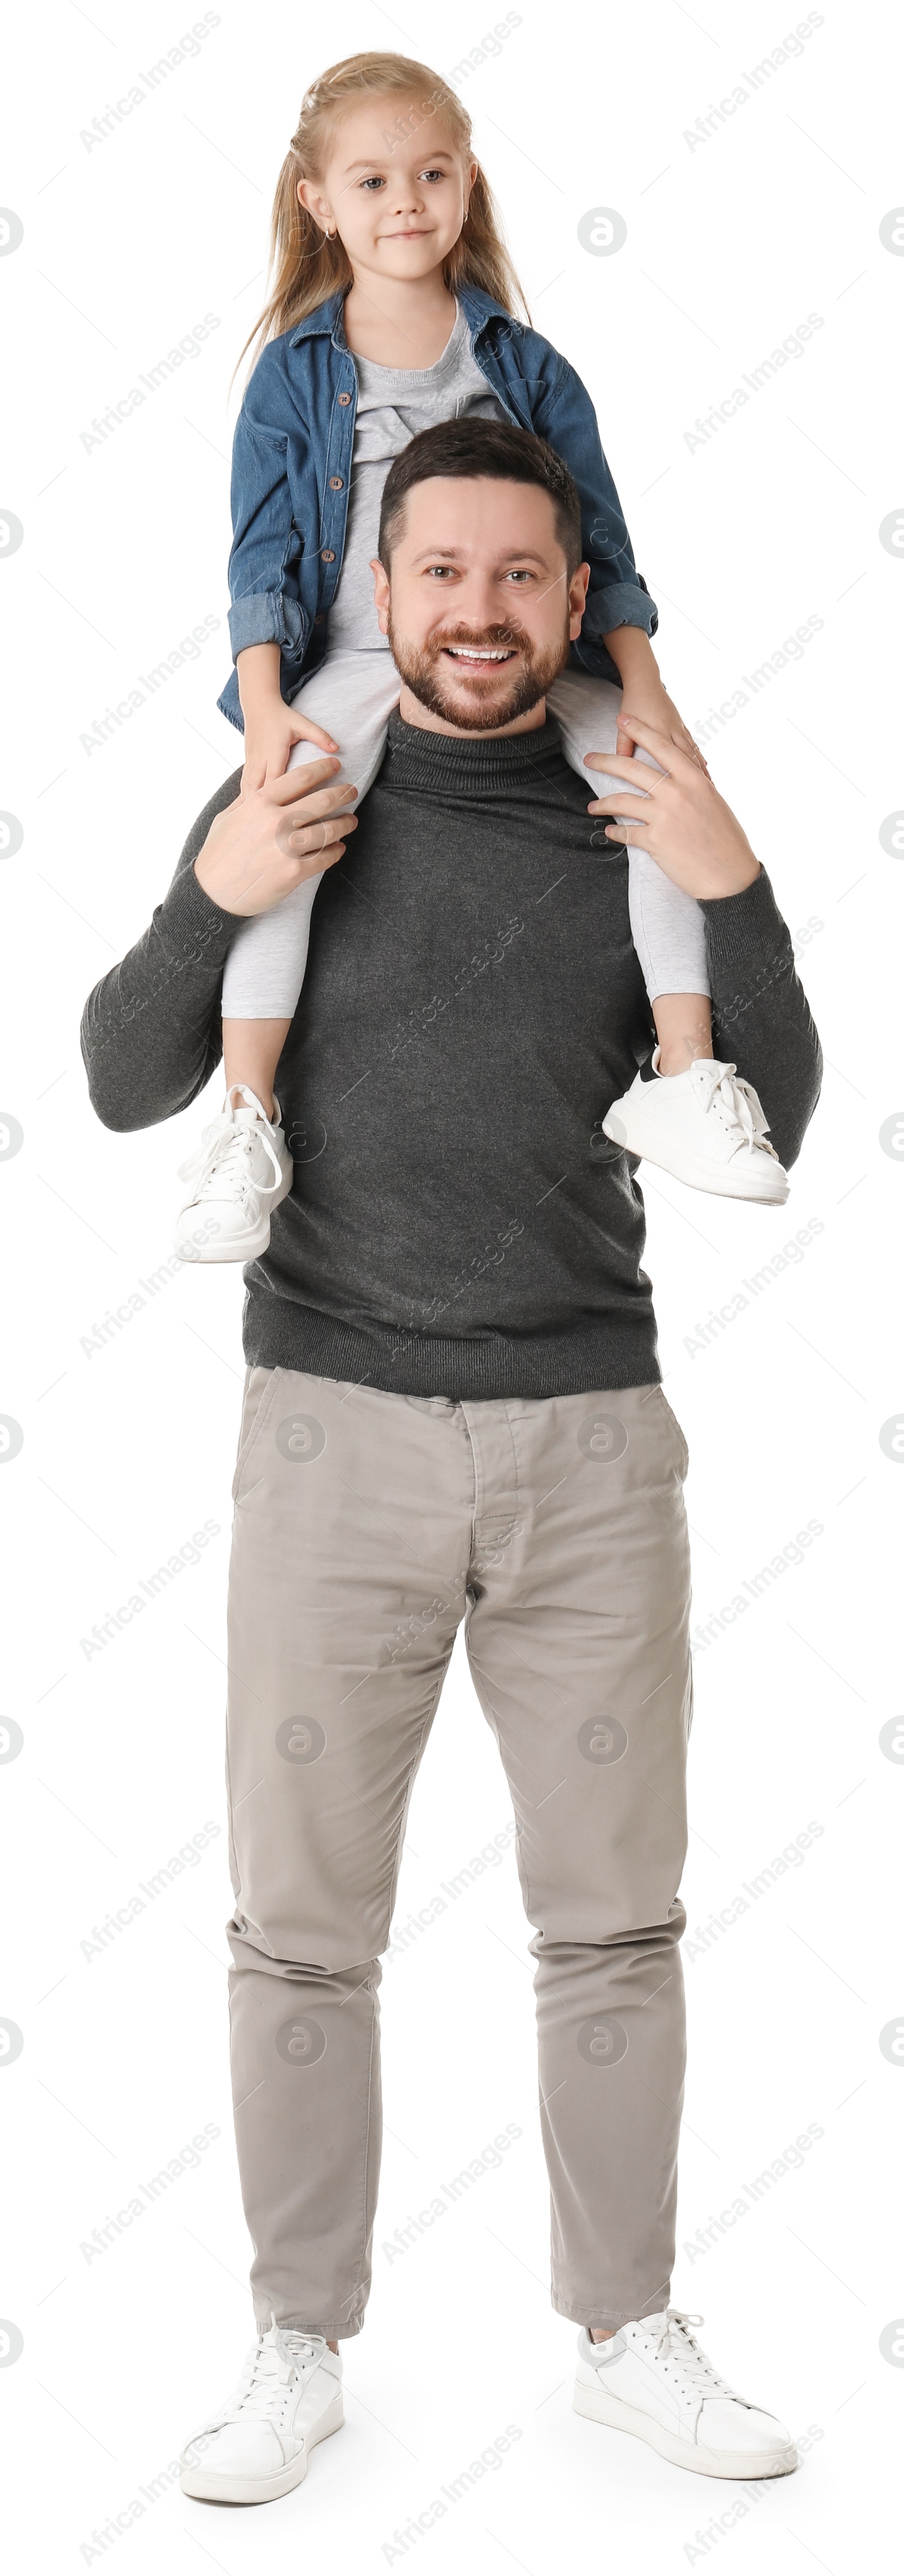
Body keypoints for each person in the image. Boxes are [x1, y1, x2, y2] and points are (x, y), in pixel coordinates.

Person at [81, 422, 822, 2505]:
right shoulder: (303, 793)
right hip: (331, 1433)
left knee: (617, 1926)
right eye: (442, 575)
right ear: (380, 591)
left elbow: (795, 1103)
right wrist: (212, 884)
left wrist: (737, 868)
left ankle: (625, 2333)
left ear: (575, 600)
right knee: (301, 1932)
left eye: (521, 578)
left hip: (593, 1434)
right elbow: (125, 1073)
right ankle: (296, 2343)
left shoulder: (634, 808)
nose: (479, 614)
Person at [171, 47, 791, 1264]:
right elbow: (257, 558)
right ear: (316, 201)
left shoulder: (522, 365)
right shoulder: (295, 376)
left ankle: (682, 1067)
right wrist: (260, 708)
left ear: (466, 185)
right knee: (286, 823)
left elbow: (596, 537)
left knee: (648, 783)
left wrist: (642, 687)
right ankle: (246, 1113)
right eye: (370, 181)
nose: (405, 202)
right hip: (360, 655)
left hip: (518, 654)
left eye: (431, 173)